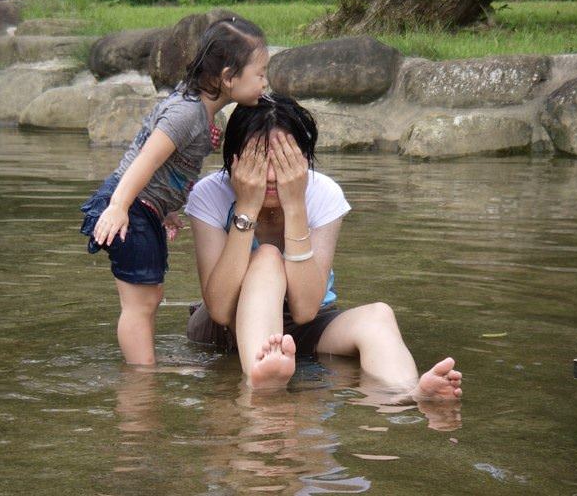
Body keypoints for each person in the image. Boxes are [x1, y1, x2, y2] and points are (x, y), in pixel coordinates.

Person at [185, 94, 463, 401]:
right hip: (227, 324)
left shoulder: (322, 194)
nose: (273, 176)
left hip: (304, 324)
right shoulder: (210, 194)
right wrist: (247, 207)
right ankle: (261, 380)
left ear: (304, 159)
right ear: (234, 159)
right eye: (259, 162)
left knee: (378, 316)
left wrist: (295, 206)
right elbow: (220, 309)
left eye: (284, 161)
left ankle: (407, 395)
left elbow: (305, 310)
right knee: (267, 257)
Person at [80, 17, 269, 365]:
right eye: (260, 73)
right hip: (129, 204)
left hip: (143, 206)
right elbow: (146, 160)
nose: (265, 82)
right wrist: (121, 206)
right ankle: (141, 380)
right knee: (140, 303)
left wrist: (164, 208)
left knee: (149, 297)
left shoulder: (200, 114)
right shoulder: (186, 114)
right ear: (228, 78)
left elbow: (167, 169)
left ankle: (143, 368)